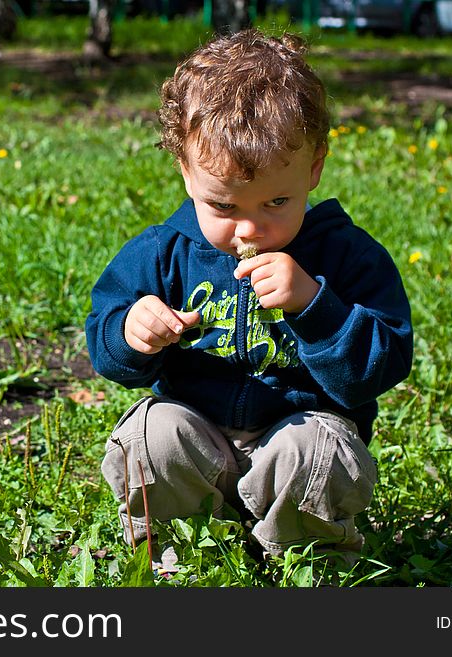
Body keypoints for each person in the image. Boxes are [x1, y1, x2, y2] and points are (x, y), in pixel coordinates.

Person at [84, 29, 413, 563]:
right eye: (224, 207)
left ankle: (305, 559)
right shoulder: (164, 251)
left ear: (314, 169)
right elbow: (106, 343)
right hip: (200, 443)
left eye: (277, 202)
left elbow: (381, 367)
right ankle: (186, 554)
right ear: (185, 173)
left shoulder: (347, 257)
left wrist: (314, 306)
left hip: (294, 443)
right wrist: (130, 332)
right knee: (152, 429)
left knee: (315, 447)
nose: (250, 230)